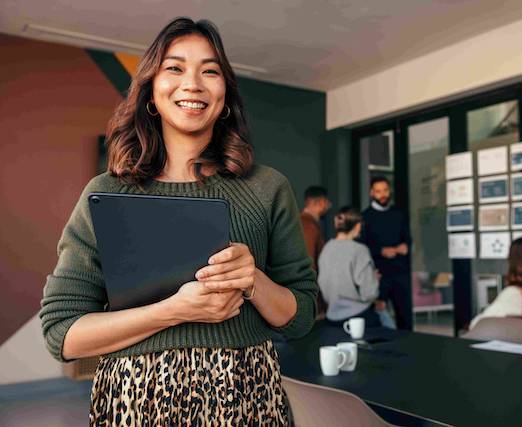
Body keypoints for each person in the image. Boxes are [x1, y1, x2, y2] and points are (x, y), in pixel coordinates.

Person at [39, 17, 317, 425]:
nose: (193, 83)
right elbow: (61, 334)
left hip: (246, 396)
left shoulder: (267, 187)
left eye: (210, 70)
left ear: (225, 95)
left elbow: (302, 316)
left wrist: (253, 279)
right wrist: (173, 310)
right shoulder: (108, 193)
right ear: (152, 90)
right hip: (136, 401)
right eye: (174, 68)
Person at [360, 177, 413, 330]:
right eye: (378, 191)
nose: (382, 194)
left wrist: (406, 246)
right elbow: (362, 247)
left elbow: (408, 239)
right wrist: (381, 251)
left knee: (405, 319)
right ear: (371, 193)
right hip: (378, 274)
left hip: (400, 272)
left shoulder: (399, 213)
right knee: (379, 319)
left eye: (385, 190)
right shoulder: (365, 217)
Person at [318, 207, 381, 327]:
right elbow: (369, 293)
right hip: (358, 319)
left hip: (332, 318)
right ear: (357, 226)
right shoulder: (359, 250)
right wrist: (374, 279)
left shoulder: (326, 249)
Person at [300, 185, 331, 271]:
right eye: (327, 202)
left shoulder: (300, 222)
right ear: (321, 202)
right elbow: (309, 261)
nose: (329, 205)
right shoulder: (309, 226)